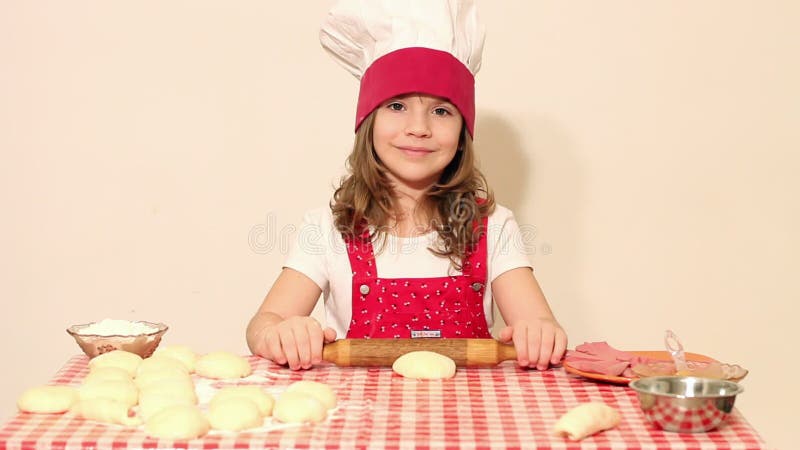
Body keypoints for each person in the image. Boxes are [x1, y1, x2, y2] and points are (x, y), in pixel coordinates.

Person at [246, 0, 567, 371]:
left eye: (441, 110)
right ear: (368, 122)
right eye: (397, 106)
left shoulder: (494, 227)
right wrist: (279, 333)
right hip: (358, 421)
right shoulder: (326, 229)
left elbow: (542, 324)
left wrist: (541, 333)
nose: (419, 127)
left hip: (465, 423)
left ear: (463, 134)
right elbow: (262, 325)